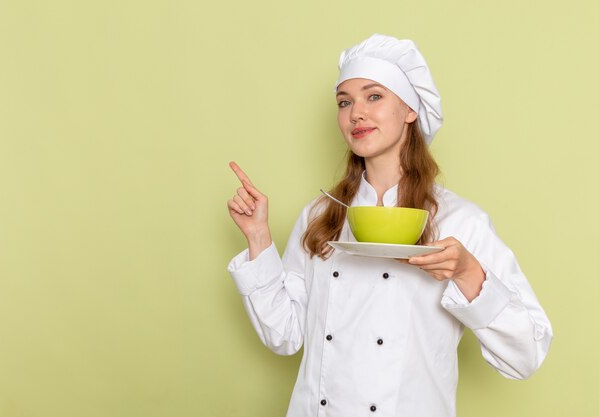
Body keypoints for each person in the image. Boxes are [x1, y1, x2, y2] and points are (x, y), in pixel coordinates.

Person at [226, 34, 552, 417]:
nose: (355, 113)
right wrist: (258, 238)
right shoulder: (321, 216)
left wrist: (468, 273)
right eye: (344, 102)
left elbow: (527, 355)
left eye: (374, 96)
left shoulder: (460, 221)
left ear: (410, 110)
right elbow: (284, 336)